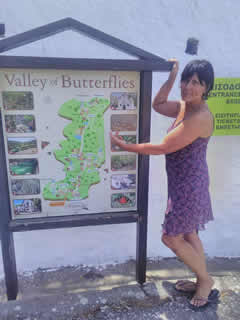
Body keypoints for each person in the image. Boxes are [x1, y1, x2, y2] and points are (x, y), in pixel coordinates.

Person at [110, 59, 218, 310]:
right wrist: (171, 78)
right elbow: (158, 104)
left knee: (170, 238)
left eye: (195, 83)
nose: (187, 87)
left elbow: (163, 147)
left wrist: (125, 146)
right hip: (184, 183)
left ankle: (205, 280)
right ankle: (202, 278)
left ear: (206, 88)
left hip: (189, 186)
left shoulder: (200, 116)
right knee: (189, 233)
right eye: (185, 81)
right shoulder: (185, 107)